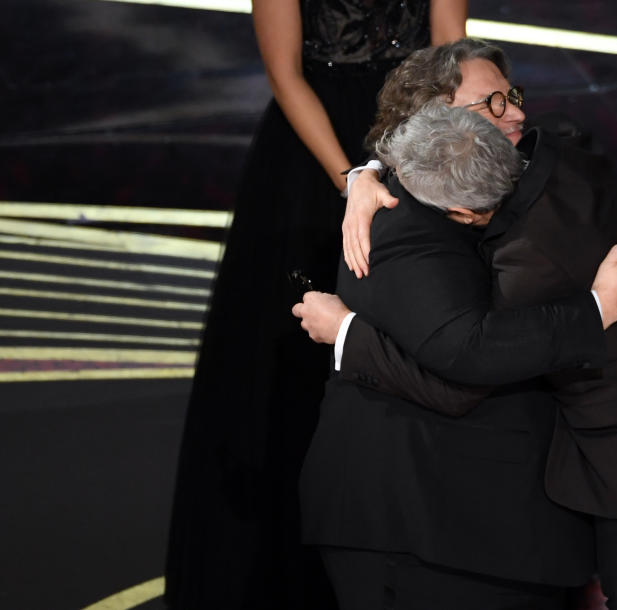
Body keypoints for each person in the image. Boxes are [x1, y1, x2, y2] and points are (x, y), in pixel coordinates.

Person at [297, 38, 617, 609]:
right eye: (492, 103)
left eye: (511, 97)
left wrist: (346, 334)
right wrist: (364, 175)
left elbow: (464, 370)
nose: (515, 112)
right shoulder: (567, 152)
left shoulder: (521, 249)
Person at [163, 3, 466, 609]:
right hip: (316, 153)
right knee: (298, 366)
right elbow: (285, 73)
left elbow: (452, 53)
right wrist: (351, 175)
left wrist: (435, 160)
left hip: (415, 137)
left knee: (424, 340)